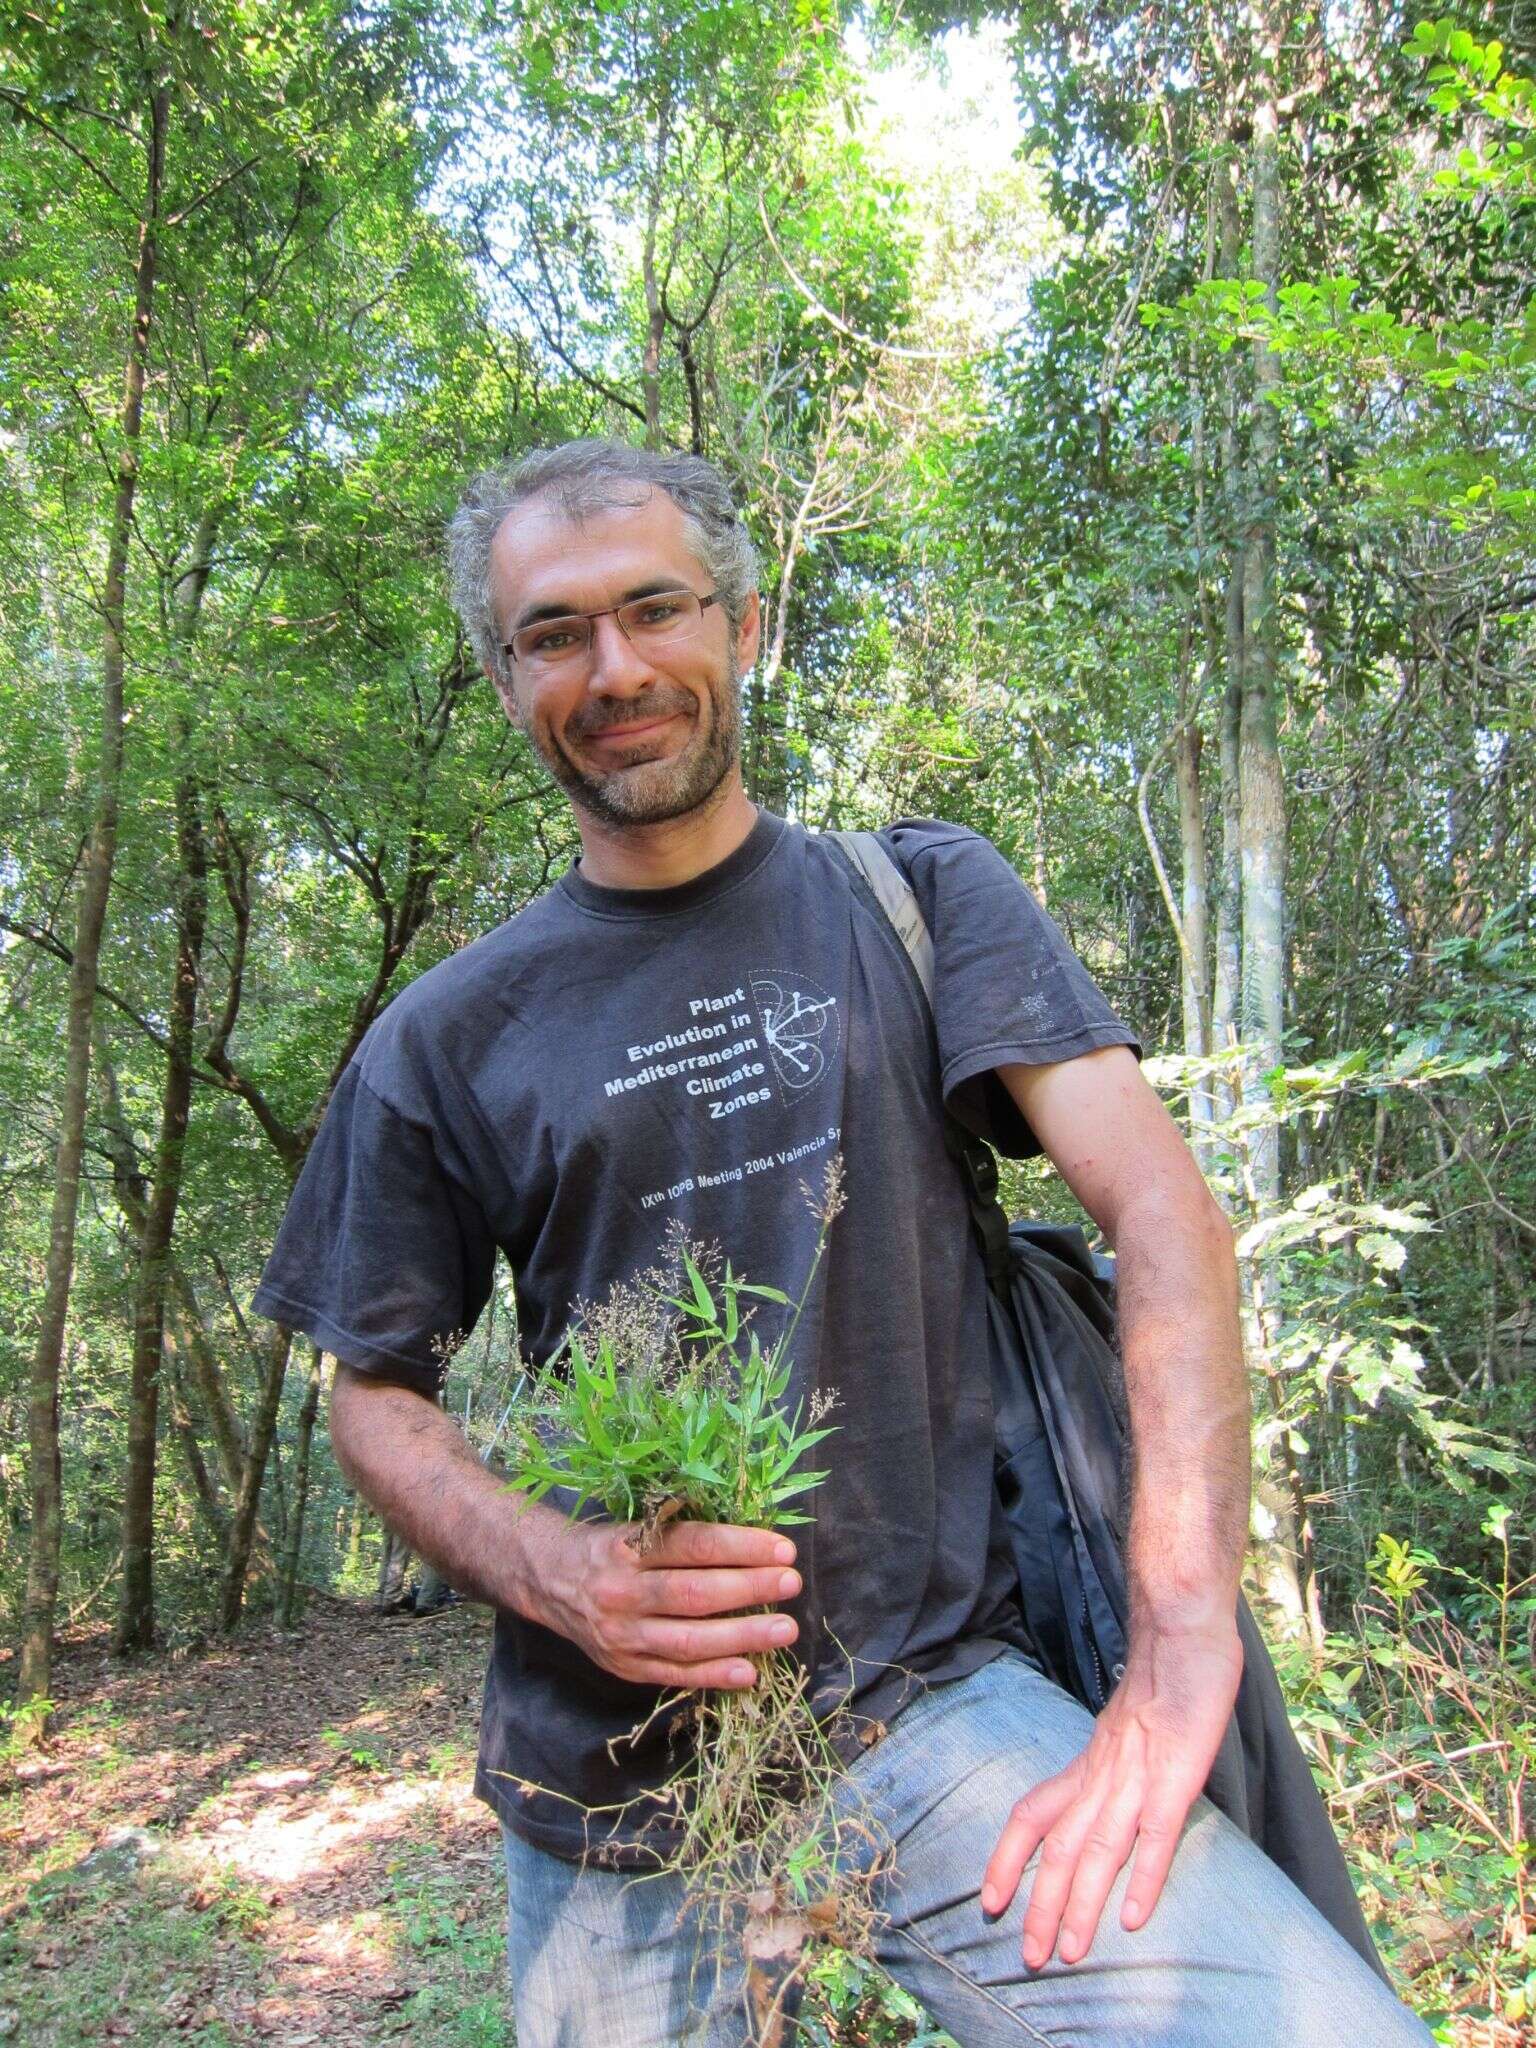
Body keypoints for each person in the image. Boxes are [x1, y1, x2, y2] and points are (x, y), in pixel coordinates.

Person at [253, 440, 1432, 2046]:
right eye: (554, 633)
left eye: (655, 608)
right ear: (505, 672)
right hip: (615, 1794)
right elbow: (370, 1394)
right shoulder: (446, 1038)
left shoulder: (918, 896)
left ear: (742, 626)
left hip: (939, 1710)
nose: (615, 669)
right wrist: (564, 1570)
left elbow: (1159, 1212)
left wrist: (1178, 1651)